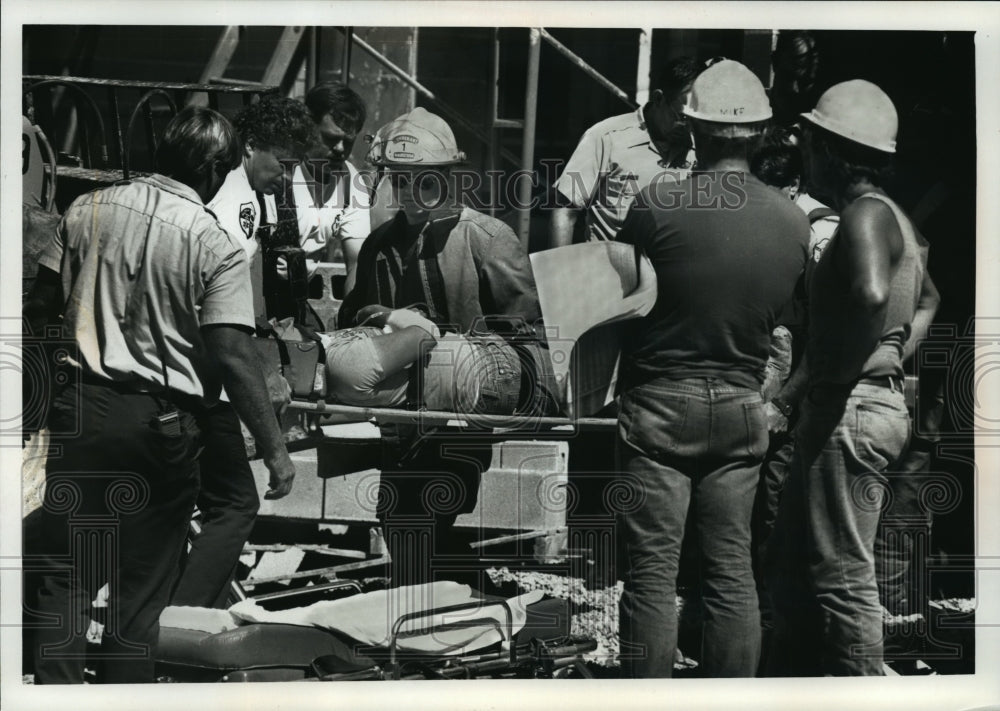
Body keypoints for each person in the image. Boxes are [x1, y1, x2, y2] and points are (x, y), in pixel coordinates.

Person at [23, 107, 296, 683]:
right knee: (140, 591)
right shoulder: (213, 243)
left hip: (82, 411)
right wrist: (275, 449)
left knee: (68, 574)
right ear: (216, 169)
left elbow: (42, 308)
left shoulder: (85, 209)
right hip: (160, 423)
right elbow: (232, 353)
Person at [613, 59, 809, 678]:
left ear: (693, 128)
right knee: (731, 571)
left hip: (657, 405)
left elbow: (618, 295)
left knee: (652, 572)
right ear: (760, 133)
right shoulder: (793, 221)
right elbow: (791, 324)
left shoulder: (658, 200)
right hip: (742, 408)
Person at [338, 107, 558, 588]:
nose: (411, 192)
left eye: (424, 181)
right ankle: (448, 601)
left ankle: (443, 602)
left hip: (462, 409)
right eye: (400, 180)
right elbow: (351, 318)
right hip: (401, 413)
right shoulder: (379, 245)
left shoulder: (488, 240)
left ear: (447, 177)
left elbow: (531, 336)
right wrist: (385, 316)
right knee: (397, 515)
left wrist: (476, 364)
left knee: (434, 505)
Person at [765, 80, 936, 676]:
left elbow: (870, 294)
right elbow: (928, 300)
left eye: (810, 141)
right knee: (793, 564)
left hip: (849, 409)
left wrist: (847, 367)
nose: (803, 152)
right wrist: (891, 354)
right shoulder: (896, 218)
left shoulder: (864, 213)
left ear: (832, 150)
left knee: (842, 578)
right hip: (864, 405)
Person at [169, 97, 315, 610]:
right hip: (202, 371)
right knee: (233, 504)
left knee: (184, 505)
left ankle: (176, 608)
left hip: (199, 368)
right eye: (283, 162)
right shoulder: (229, 200)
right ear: (250, 147)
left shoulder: (253, 194)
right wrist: (260, 371)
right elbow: (217, 298)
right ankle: (184, 616)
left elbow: (247, 276)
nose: (287, 175)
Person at [750, 132, 840, 554]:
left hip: (802, 387)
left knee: (779, 494)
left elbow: (828, 328)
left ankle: (774, 584)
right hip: (763, 374)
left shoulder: (823, 231)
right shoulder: (761, 221)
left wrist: (787, 402)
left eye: (770, 194)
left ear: (794, 187)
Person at [549, 56, 702, 247]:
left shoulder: (702, 145)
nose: (689, 128)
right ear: (658, 99)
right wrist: (559, 265)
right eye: (682, 118)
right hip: (609, 261)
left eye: (696, 120)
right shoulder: (606, 136)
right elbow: (565, 210)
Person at [285, 81, 372, 297]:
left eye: (348, 141)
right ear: (308, 129)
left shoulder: (351, 181)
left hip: (300, 294)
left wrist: (352, 311)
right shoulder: (280, 169)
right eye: (331, 139)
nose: (340, 149)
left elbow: (357, 263)